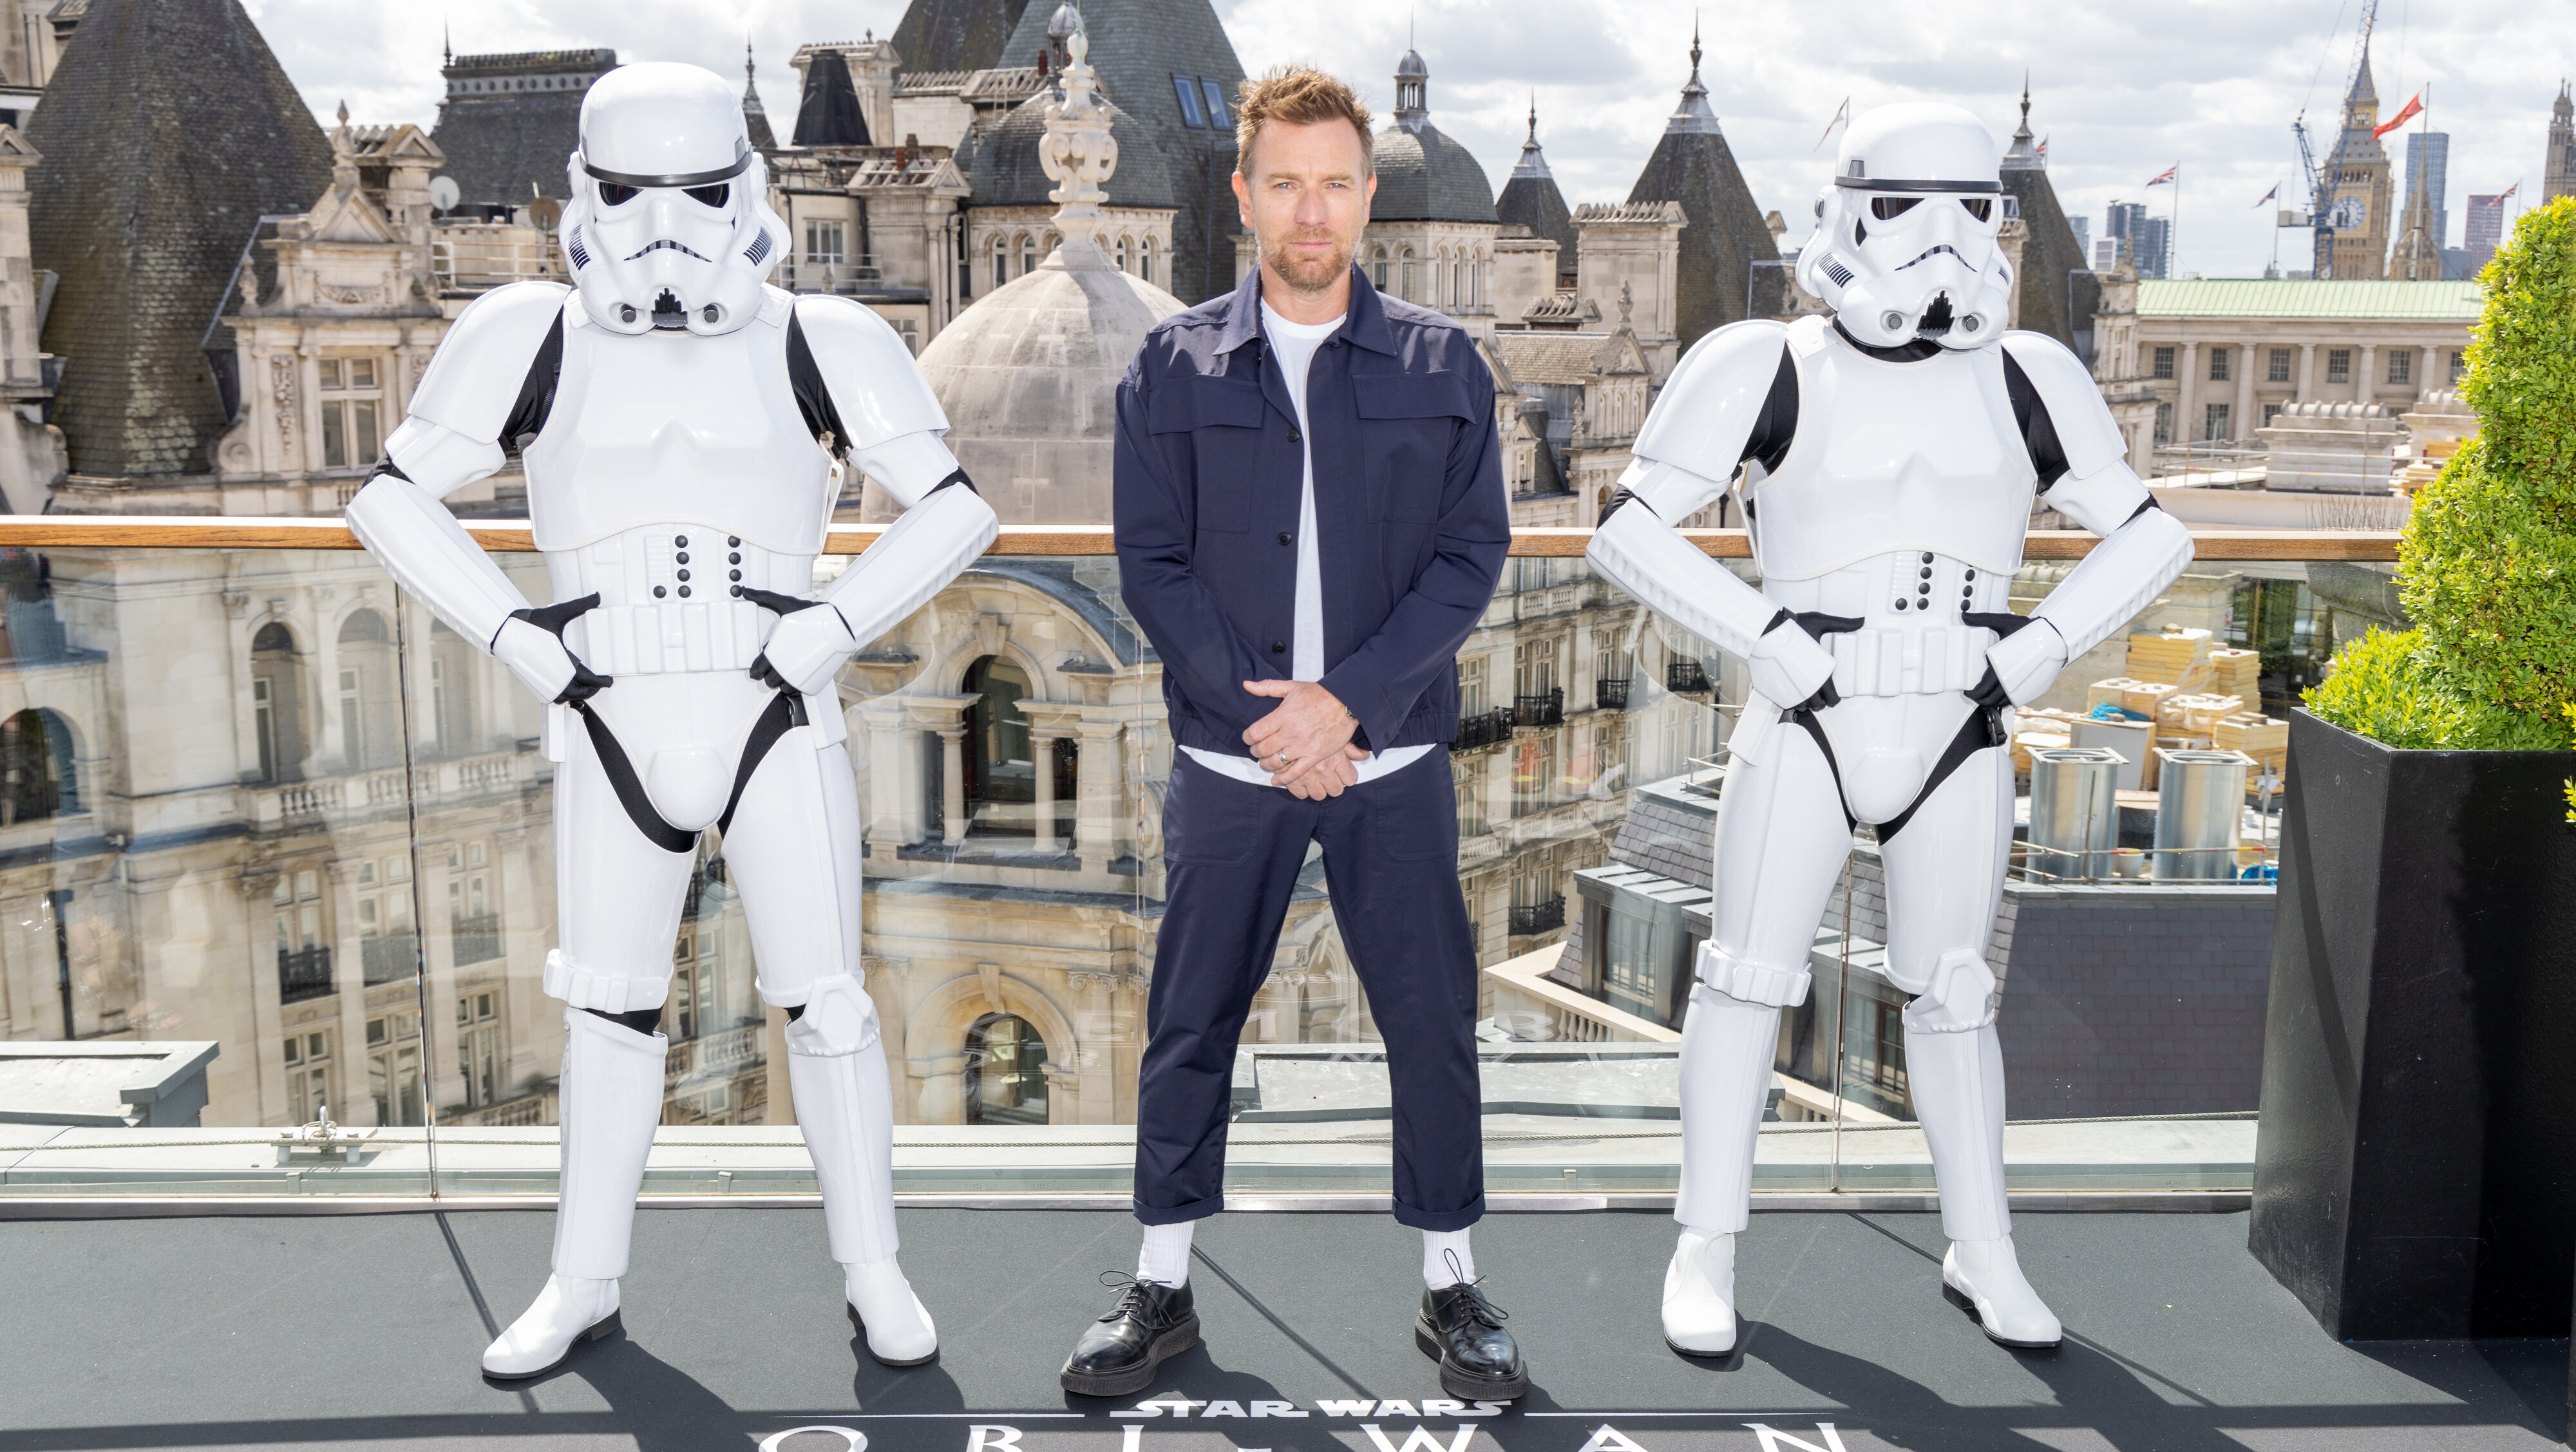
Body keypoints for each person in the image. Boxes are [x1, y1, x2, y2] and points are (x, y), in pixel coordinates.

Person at [343, 61, 998, 1379]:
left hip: (771, 707)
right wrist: (522, 640)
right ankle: (581, 1279)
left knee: (828, 1006)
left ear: (745, 187)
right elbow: (390, 497)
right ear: (584, 191)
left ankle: (874, 1272)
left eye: (697, 190)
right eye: (631, 191)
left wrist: (825, 626)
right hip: (609, 712)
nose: (664, 224)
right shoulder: (528, 332)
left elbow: (956, 506)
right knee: (607, 1011)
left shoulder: (826, 337)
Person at [1586, 102, 2194, 1356]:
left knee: (1955, 995)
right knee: (1745, 979)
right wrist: (1766, 642)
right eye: (1908, 204)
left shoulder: (2030, 376)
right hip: (1809, 708)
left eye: (1969, 210)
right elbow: (1628, 528)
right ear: (1851, 207)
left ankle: (1984, 1249)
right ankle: (1704, 1246)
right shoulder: (1760, 363)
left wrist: (2029, 650)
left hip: (1957, 720)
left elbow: (2151, 534)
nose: (1938, 238)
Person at [1063, 66, 1515, 1400]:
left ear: (1366, 198)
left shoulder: (1443, 364)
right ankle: (1159, 1289)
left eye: (1333, 184)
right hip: (1231, 761)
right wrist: (1279, 721)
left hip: (1389, 757)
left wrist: (1346, 705)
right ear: (1241, 195)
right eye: (1283, 184)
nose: (1308, 211)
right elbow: (1150, 565)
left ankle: (1451, 1291)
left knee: (1427, 1020)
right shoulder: (1171, 361)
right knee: (1188, 1023)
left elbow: (1467, 558)